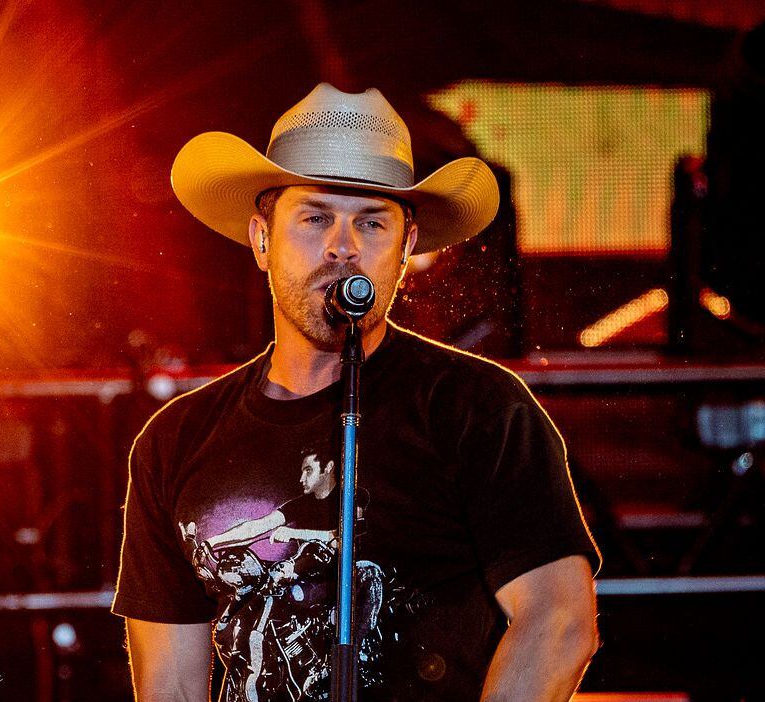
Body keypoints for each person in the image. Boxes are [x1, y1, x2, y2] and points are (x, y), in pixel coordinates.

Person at [112, 83, 600, 702]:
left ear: (406, 249)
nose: (343, 246)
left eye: (370, 222)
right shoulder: (175, 440)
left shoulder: (478, 408)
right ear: (262, 239)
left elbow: (558, 622)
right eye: (315, 218)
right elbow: (171, 684)